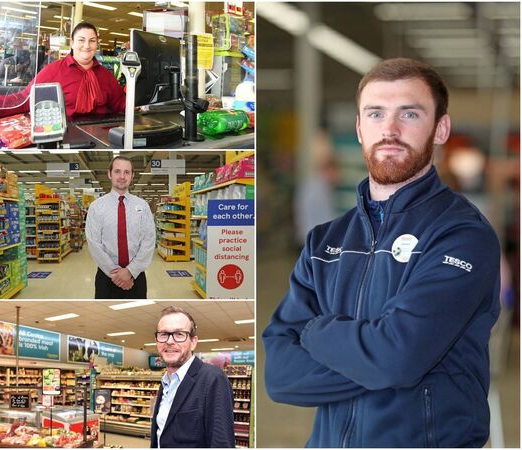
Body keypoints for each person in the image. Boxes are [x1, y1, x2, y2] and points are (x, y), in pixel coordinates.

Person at [262, 58, 500, 447]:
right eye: (375, 114)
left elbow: (397, 358)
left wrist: (313, 331)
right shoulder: (324, 242)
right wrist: (375, 357)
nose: (389, 130)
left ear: (440, 129)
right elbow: (280, 377)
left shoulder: (462, 235)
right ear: (359, 127)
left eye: (409, 113)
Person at [0, 22, 126, 120]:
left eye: (92, 41)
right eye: (81, 40)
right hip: (67, 136)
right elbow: (25, 99)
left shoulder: (106, 75)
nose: (87, 46)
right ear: (72, 42)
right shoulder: (53, 70)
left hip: (101, 136)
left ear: (97, 44)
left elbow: (120, 104)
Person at [150, 306, 234, 448]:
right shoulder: (165, 382)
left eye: (179, 334)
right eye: (163, 334)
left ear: (193, 342)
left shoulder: (213, 379)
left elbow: (221, 443)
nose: (170, 341)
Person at [86, 156, 155, 298]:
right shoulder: (96, 207)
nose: (122, 176)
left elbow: (149, 241)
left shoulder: (143, 206)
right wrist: (116, 273)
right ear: (109, 174)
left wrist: (130, 271)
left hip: (136, 276)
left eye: (127, 172)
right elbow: (94, 243)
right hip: (106, 277)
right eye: (117, 171)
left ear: (132, 176)